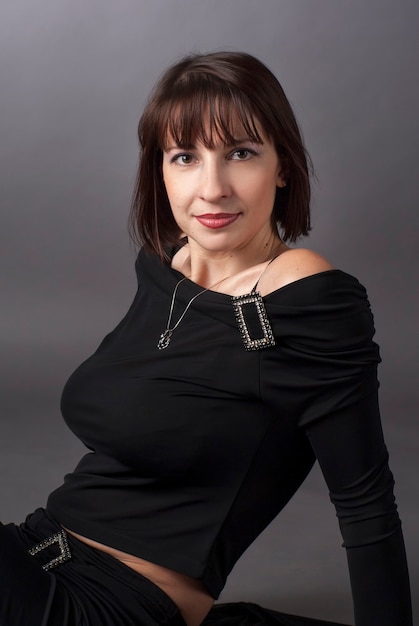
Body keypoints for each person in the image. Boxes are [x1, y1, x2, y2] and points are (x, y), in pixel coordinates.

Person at [0, 51, 413, 626]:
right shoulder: (165, 269)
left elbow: (366, 505)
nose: (212, 188)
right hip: (33, 553)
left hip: (111, 606)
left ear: (283, 166)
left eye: (240, 153)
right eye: (186, 157)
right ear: (161, 171)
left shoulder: (310, 301)